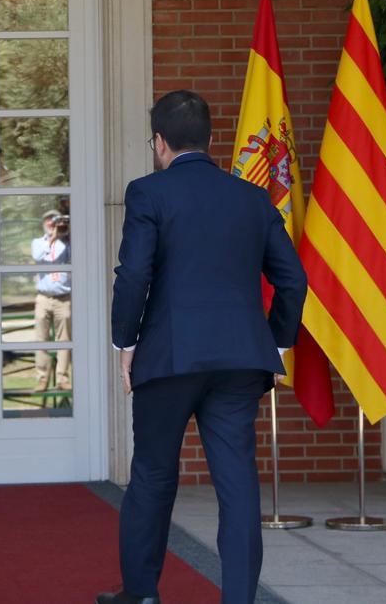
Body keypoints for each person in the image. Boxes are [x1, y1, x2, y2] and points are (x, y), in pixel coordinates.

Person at [99, 90, 306, 604]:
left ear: (160, 142)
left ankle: (142, 594)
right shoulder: (252, 198)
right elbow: (294, 280)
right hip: (240, 361)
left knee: (152, 474)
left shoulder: (148, 193)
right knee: (237, 486)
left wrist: (125, 340)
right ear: (211, 140)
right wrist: (276, 343)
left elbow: (134, 276)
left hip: (168, 356)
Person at [31, 209, 72, 392]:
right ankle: (42, 378)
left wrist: (65, 236)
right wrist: (53, 237)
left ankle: (62, 378)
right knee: (41, 338)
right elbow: (38, 257)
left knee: (64, 339)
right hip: (43, 297)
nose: (52, 223)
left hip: (63, 298)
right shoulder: (38, 243)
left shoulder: (68, 242)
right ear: (44, 223)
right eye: (49, 220)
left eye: (55, 220)